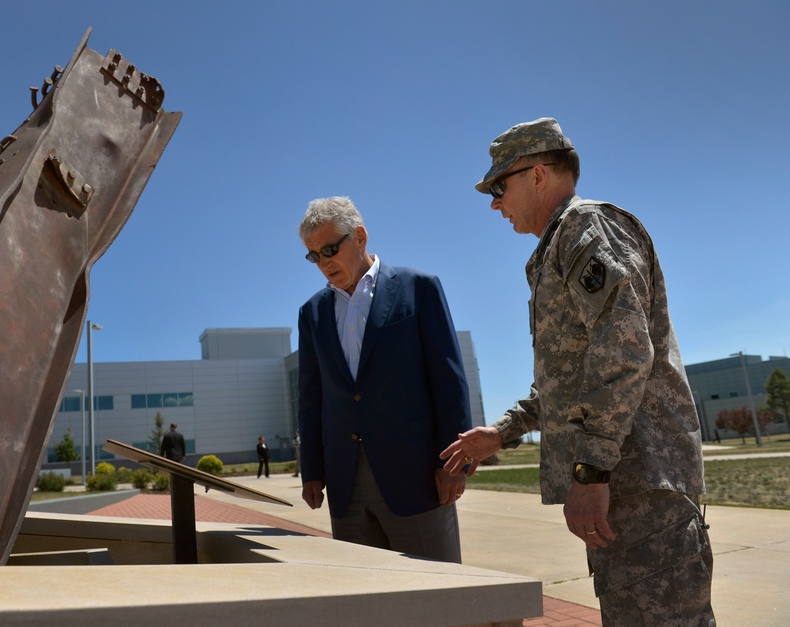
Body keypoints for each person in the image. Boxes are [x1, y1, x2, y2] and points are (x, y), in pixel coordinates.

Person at [441, 118, 714, 624]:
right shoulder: (557, 246)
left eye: (499, 187)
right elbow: (572, 382)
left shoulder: (586, 228)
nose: (494, 203)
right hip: (625, 488)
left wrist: (591, 472)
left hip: (640, 486)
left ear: (538, 175)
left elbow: (625, 353)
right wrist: (503, 432)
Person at [297, 196, 473, 563]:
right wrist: (312, 471)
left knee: (436, 598)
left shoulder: (419, 288)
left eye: (330, 248)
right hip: (346, 483)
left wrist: (455, 465)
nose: (324, 262)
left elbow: (449, 380)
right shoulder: (311, 313)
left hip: (416, 478)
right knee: (366, 603)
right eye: (314, 255)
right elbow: (311, 397)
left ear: (359, 236)